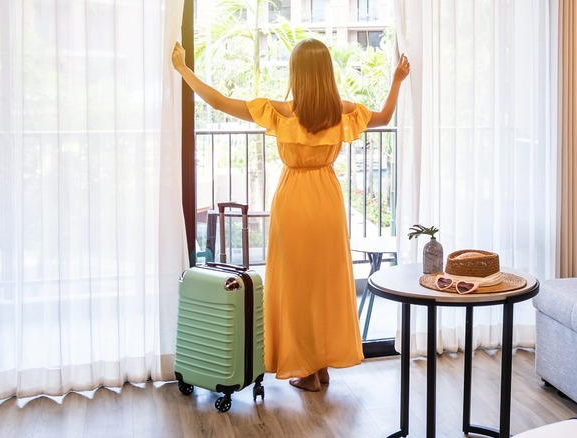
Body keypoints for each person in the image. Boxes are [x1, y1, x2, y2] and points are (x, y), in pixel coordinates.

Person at [171, 38, 410, 391]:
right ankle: (323, 366)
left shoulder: (281, 111)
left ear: (296, 74)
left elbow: (219, 101)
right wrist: (397, 80)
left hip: (295, 201)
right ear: (326, 74)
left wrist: (183, 69)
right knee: (325, 286)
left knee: (297, 288)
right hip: (328, 201)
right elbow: (386, 116)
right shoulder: (342, 111)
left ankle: (307, 371)